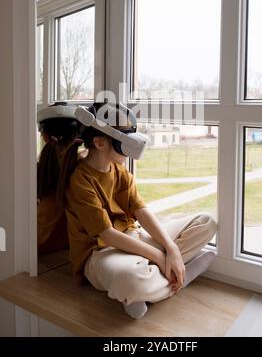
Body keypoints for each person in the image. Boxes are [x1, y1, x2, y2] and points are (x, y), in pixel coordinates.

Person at [58, 102, 217, 319]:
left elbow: (140, 210)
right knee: (131, 280)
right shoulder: (80, 181)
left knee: (206, 222)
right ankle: (179, 276)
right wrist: (160, 257)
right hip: (100, 254)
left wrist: (171, 249)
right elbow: (107, 234)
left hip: (134, 236)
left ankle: (156, 282)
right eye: (124, 139)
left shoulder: (119, 170)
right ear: (99, 143)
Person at [37, 102, 80, 255]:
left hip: (39, 245)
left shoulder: (39, 168)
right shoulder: (84, 169)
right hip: (69, 246)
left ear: (45, 137)